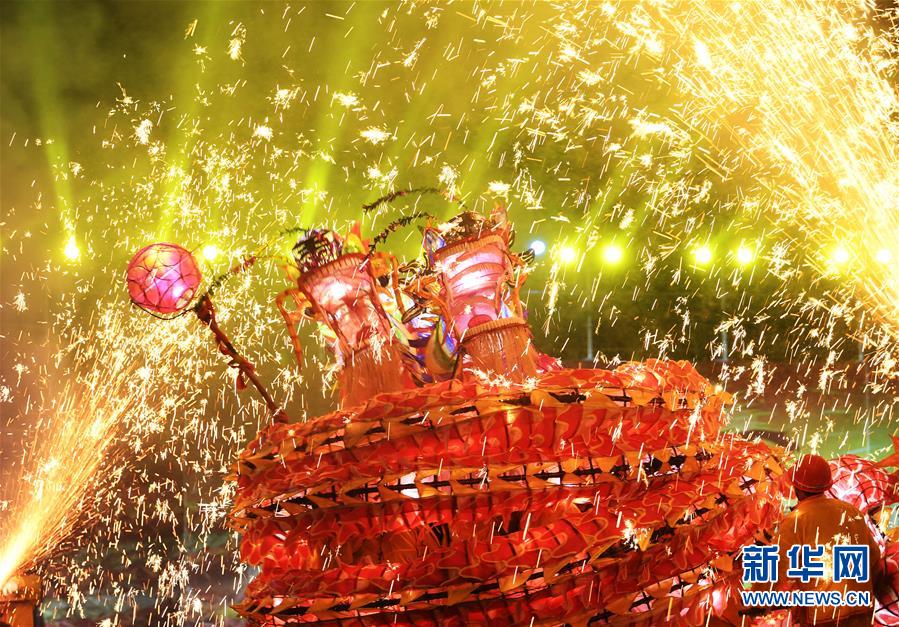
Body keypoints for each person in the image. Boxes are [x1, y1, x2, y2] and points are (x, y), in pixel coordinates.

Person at [774, 453, 882, 626]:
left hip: (823, 618)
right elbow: (874, 558)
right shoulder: (851, 511)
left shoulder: (795, 521)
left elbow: (777, 571)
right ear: (827, 484)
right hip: (861, 613)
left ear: (797, 488)